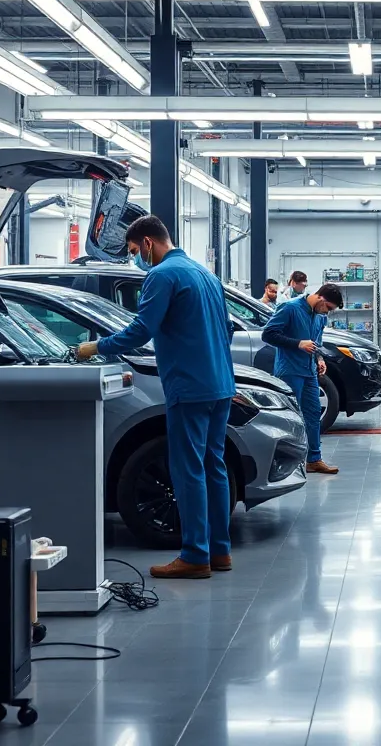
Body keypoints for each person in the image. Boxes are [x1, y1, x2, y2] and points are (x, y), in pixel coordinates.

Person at [76, 216, 236, 579]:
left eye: (134, 251)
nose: (136, 258)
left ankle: (195, 555)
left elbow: (141, 329)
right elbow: (226, 328)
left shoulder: (162, 275)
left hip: (190, 386)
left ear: (147, 243)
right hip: (220, 383)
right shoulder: (205, 274)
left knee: (188, 468)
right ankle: (219, 551)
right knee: (214, 466)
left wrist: (95, 346)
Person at [262, 283, 343, 475]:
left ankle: (314, 459)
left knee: (313, 415)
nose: (328, 313)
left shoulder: (319, 317)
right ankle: (283, 462)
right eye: (328, 308)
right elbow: (268, 334)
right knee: (289, 416)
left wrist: (320, 358)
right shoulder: (289, 308)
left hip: (309, 373)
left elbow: (316, 343)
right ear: (321, 298)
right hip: (289, 370)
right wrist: (298, 344)